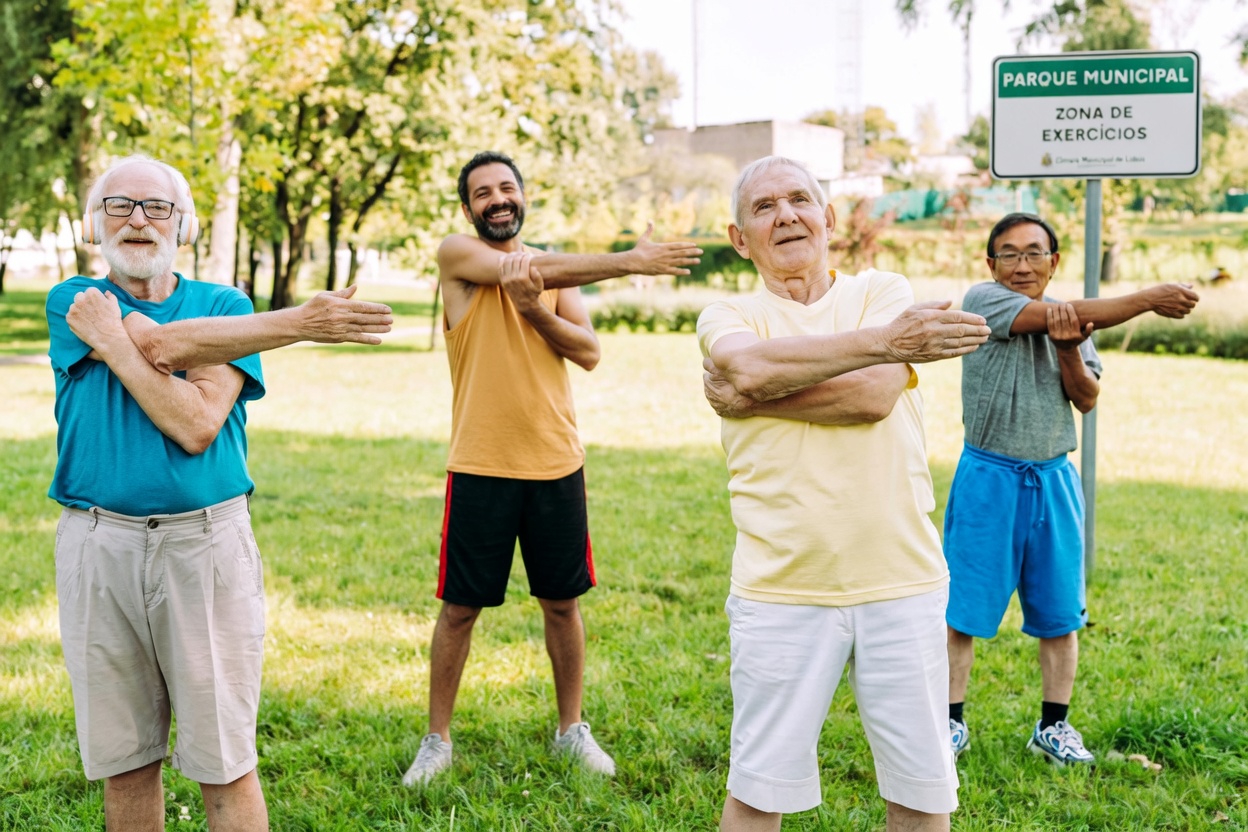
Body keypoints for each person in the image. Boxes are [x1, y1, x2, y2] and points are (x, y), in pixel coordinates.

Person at [46, 154, 393, 832]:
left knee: (224, 762)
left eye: (157, 208)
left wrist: (119, 345)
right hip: (98, 548)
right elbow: (165, 349)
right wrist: (299, 322)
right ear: (96, 224)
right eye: (119, 206)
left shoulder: (225, 307)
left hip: (202, 548)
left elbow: (197, 423)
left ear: (186, 224)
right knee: (126, 764)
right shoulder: (74, 302)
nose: (138, 220)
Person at [697, 156, 991, 832]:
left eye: (800, 199)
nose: (786, 215)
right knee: (757, 792)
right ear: (740, 238)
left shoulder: (881, 290)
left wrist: (754, 398)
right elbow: (740, 363)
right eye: (764, 207)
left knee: (921, 793)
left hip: (901, 581)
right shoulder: (728, 312)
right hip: (781, 588)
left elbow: (875, 394)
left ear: (828, 217)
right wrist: (885, 345)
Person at [402, 151, 703, 786]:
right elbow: (524, 268)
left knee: (561, 604)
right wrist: (629, 262)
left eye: (506, 187)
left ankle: (571, 730)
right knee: (459, 609)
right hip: (480, 464)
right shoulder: (457, 255)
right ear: (468, 209)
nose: (496, 199)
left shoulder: (553, 275)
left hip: (555, 462)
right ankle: (437, 741)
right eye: (483, 193)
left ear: (523, 197)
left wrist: (537, 309)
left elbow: (588, 352)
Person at [945, 212, 1199, 767]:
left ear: (1054, 262)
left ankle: (1053, 727)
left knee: (1061, 613)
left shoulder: (1072, 325)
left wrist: (1067, 349)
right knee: (961, 609)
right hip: (989, 477)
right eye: (1008, 253)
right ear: (991, 265)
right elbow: (1074, 313)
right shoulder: (983, 301)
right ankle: (950, 722)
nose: (1021, 265)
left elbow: (1086, 398)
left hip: (1054, 479)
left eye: (1035, 253)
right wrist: (1150, 297)